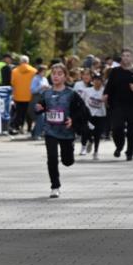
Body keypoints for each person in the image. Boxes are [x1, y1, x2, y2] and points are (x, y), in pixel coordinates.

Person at [35, 63, 87, 198]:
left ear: (65, 76)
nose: (56, 76)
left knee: (67, 161)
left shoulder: (71, 94)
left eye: (59, 74)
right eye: (54, 73)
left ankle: (70, 154)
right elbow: (39, 107)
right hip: (50, 131)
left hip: (66, 132)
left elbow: (82, 110)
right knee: (52, 158)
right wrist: (38, 108)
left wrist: (73, 120)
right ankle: (55, 186)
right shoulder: (46, 93)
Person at [103, 49, 133, 161]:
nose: (126, 58)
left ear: (132, 58)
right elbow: (109, 86)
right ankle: (119, 146)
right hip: (117, 104)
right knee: (117, 128)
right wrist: (105, 94)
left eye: (128, 56)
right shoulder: (115, 71)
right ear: (121, 58)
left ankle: (130, 152)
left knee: (132, 130)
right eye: (124, 56)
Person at [82, 72, 107, 160]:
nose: (97, 82)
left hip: (100, 115)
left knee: (97, 134)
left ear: (102, 81)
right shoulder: (87, 90)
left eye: (99, 80)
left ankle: (95, 152)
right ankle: (90, 141)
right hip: (89, 115)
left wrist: (106, 100)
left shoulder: (105, 91)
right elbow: (82, 101)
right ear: (92, 81)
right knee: (86, 131)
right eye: (95, 80)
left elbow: (109, 104)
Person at [9, 56, 37, 135]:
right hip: (30, 95)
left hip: (18, 95)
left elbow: (12, 83)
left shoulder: (14, 71)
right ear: (28, 62)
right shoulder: (34, 71)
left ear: (20, 62)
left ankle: (19, 127)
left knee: (19, 113)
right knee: (29, 113)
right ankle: (29, 128)